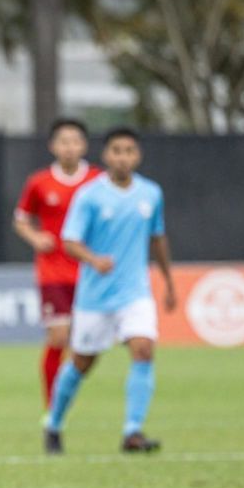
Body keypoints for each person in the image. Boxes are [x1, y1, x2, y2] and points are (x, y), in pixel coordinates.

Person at [43, 127, 176, 455]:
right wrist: (94, 259)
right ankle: (54, 423)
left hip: (135, 293)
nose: (123, 157)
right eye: (117, 151)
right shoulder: (89, 195)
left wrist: (169, 281)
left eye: (129, 151)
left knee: (143, 349)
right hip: (95, 297)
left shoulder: (151, 193)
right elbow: (70, 241)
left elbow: (158, 238)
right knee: (82, 362)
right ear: (106, 155)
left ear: (137, 155)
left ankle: (133, 432)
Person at [13, 119, 102, 408]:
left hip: (90, 272)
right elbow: (21, 219)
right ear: (53, 146)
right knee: (58, 336)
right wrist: (36, 237)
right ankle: (52, 408)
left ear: (84, 145)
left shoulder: (98, 181)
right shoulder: (39, 182)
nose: (69, 147)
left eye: (75, 141)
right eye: (64, 141)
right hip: (53, 272)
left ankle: (64, 396)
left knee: (87, 345)